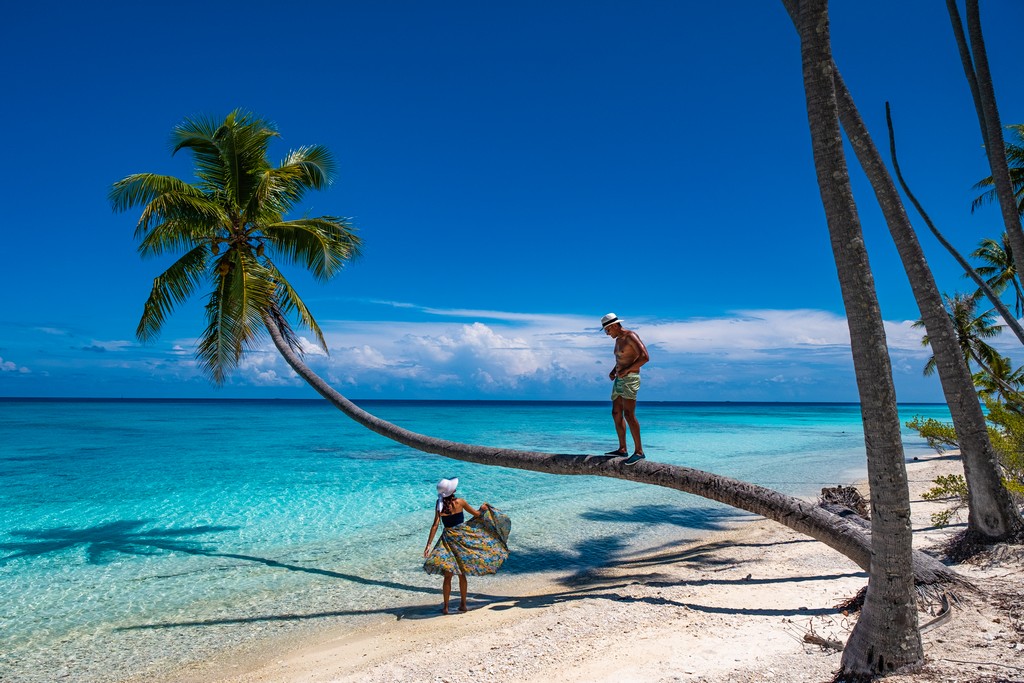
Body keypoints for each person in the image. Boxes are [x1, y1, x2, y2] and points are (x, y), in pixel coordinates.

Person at [423, 477, 511, 614]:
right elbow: (477, 514)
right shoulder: (460, 502)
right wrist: (482, 509)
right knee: (461, 573)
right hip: (461, 539)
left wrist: (428, 545)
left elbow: (435, 525)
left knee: (448, 575)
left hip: (447, 539)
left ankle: (445, 607)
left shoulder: (439, 504)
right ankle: (463, 605)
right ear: (452, 491)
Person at [600, 313, 650, 465]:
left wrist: (627, 370)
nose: (608, 334)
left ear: (614, 326)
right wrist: (614, 370)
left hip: (630, 379)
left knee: (629, 414)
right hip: (619, 379)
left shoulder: (630, 336)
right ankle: (622, 449)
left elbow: (645, 357)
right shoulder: (618, 340)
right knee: (616, 412)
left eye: (608, 330)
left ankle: (639, 452)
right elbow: (621, 359)